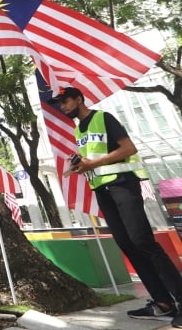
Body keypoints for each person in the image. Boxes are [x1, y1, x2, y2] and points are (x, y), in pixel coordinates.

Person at [52, 86, 182, 327]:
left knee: (142, 241)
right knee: (127, 244)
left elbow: (129, 148)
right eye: (60, 104)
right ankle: (163, 302)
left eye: (66, 101)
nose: (63, 107)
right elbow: (94, 159)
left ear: (79, 99)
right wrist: (81, 165)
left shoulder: (103, 117)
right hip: (103, 190)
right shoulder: (79, 129)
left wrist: (94, 162)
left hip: (123, 185)